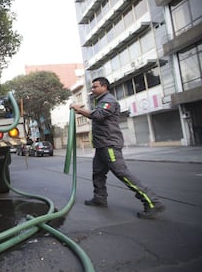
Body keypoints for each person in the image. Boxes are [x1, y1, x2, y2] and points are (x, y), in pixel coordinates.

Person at [70, 77, 165, 219]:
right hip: (101, 146)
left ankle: (152, 201)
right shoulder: (101, 101)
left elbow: (98, 115)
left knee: (122, 174)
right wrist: (81, 111)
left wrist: (79, 109)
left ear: (104, 87)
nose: (92, 89)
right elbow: (96, 115)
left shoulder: (109, 100)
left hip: (109, 145)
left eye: (95, 87)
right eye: (92, 87)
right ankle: (100, 198)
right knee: (98, 173)